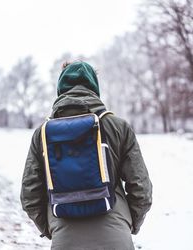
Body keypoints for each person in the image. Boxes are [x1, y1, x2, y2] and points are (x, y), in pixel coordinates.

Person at [20, 61, 152, 250]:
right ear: (94, 88)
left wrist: (52, 228)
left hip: (64, 238)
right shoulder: (118, 127)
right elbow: (141, 188)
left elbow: (29, 195)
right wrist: (129, 223)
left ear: (61, 89)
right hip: (116, 236)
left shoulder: (43, 134)